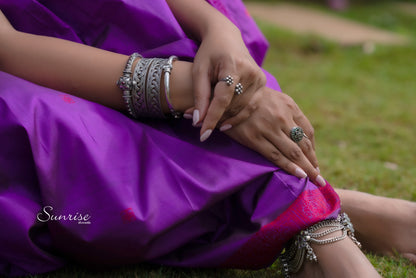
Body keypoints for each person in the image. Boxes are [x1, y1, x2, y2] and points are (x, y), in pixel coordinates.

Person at [0, 0, 414, 277]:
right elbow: (8, 47)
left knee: (193, 48)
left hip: (125, 27)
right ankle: (318, 219)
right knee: (53, 129)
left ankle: (312, 220)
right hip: (27, 70)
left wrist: (220, 30)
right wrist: (204, 91)